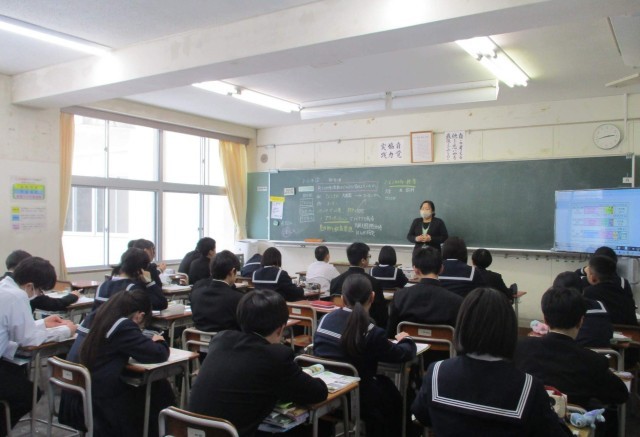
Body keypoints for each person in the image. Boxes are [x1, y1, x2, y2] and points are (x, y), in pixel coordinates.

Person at [412, 287, 571, 436]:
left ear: (462, 325)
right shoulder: (528, 387)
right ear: (509, 329)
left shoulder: (436, 372)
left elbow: (421, 416)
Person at [188, 289, 328, 436]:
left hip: (191, 430)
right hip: (233, 433)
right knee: (316, 425)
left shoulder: (221, 339)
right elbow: (318, 393)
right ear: (280, 329)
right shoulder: (276, 356)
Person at [514, 286, 628, 434]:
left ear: (545, 318)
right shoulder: (592, 361)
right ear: (581, 321)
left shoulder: (520, 348)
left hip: (527, 426)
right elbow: (620, 395)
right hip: (572, 428)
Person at [60, 289, 174, 437]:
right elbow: (158, 354)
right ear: (140, 316)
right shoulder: (122, 326)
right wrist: (160, 341)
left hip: (72, 398)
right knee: (158, 387)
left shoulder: (95, 316)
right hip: (96, 407)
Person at [314, 274, 416, 437]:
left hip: (326, 393)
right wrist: (407, 340)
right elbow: (401, 354)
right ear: (372, 297)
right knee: (391, 393)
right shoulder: (371, 332)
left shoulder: (324, 320)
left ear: (342, 298)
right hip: (361, 399)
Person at [0, 257, 77, 435]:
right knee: (28, 394)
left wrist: (43, 323)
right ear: (30, 285)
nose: (39, 294)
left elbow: (12, 328)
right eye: (40, 290)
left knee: (18, 381)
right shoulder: (17, 296)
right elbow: (28, 340)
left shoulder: (4, 287)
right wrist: (66, 331)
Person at [387, 247, 463, 338]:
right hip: (443, 347)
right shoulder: (456, 301)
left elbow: (390, 334)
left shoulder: (400, 297)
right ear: (441, 269)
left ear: (415, 270)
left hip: (409, 346)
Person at [329, 242, 388, 328]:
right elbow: (381, 314)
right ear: (363, 261)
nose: (369, 259)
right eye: (368, 256)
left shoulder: (335, 281)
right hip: (366, 327)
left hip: (339, 325)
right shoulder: (374, 283)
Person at [2, 250, 80, 312]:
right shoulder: (27, 289)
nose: (40, 293)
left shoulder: (4, 282)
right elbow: (54, 304)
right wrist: (73, 296)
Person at [94, 248, 167, 311]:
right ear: (141, 270)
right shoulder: (134, 289)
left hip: (101, 323)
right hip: (124, 323)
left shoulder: (102, 286)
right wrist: (149, 282)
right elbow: (162, 304)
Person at [553, 271, 613, 348]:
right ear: (583, 291)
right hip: (603, 353)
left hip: (571, 353)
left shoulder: (562, 311)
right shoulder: (600, 305)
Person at [191, 250, 244, 332]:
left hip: (197, 339)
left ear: (211, 271)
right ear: (232, 271)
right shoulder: (238, 299)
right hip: (229, 339)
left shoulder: (195, 294)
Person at [583, 254, 638, 326]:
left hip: (605, 331)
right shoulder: (623, 290)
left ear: (593, 278)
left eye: (588, 272)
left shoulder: (589, 292)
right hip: (632, 331)